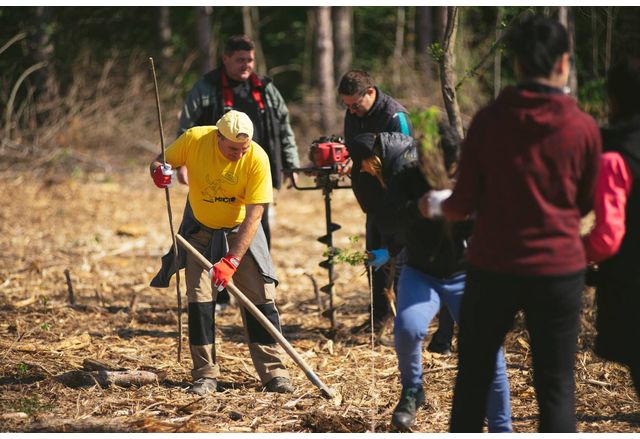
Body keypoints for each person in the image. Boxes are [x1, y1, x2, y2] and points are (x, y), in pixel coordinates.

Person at [423, 15, 601, 432]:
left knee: (472, 381)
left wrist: (434, 204)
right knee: (556, 387)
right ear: (563, 64)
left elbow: (463, 202)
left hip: (493, 267)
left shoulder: (488, 121)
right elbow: (586, 201)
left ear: (517, 65)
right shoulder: (583, 127)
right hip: (558, 270)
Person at [350, 128, 512, 432]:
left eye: (442, 168)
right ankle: (413, 390)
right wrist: (416, 209)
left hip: (469, 275)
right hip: (421, 272)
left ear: (454, 163)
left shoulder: (474, 176)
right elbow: (386, 217)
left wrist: (465, 213)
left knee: (490, 349)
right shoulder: (408, 176)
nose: (433, 172)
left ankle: (502, 426)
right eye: (427, 165)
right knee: (408, 329)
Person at [149, 110, 293, 396]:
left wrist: (233, 260)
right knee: (200, 302)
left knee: (262, 299)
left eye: (244, 148)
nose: (239, 154)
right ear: (218, 137)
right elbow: (161, 160)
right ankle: (205, 375)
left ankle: (274, 374)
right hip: (200, 233)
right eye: (232, 149)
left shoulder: (257, 158)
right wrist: (158, 171)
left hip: (242, 232)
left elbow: (255, 216)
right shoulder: (194, 140)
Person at [338, 70, 444, 339]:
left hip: (398, 199)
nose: (352, 111)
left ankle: (404, 318)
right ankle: (378, 316)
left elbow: (408, 159)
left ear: (371, 92)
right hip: (373, 200)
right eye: (347, 106)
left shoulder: (395, 116)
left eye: (356, 105)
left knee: (399, 259)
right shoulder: (353, 114)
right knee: (375, 255)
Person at [177, 34, 301, 249]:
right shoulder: (206, 87)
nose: (246, 65)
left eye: (250, 60)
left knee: (258, 224)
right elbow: (186, 127)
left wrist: (291, 164)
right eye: (240, 60)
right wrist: (182, 163)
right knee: (211, 227)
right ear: (225, 59)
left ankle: (258, 274)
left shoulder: (266, 88)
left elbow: (284, 127)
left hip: (255, 169)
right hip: (214, 171)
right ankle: (214, 272)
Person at [583, 56, 640, 398]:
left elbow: (606, 237)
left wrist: (571, 255)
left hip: (630, 282)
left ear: (613, 99)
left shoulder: (614, 155)